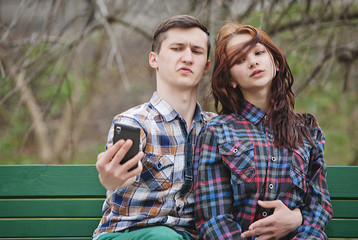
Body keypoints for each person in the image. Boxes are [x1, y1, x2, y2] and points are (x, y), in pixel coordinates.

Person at [93, 16, 302, 240]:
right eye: (177, 48)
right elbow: (117, 176)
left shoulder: (219, 129)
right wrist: (111, 179)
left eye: (197, 51)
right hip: (129, 234)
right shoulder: (134, 122)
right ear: (154, 60)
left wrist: (297, 216)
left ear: (206, 67)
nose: (187, 57)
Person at [193, 22, 333, 240]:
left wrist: (299, 222)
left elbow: (319, 206)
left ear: (275, 62)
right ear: (230, 79)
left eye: (258, 52)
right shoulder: (217, 132)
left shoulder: (307, 130)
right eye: (239, 60)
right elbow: (213, 219)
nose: (253, 62)